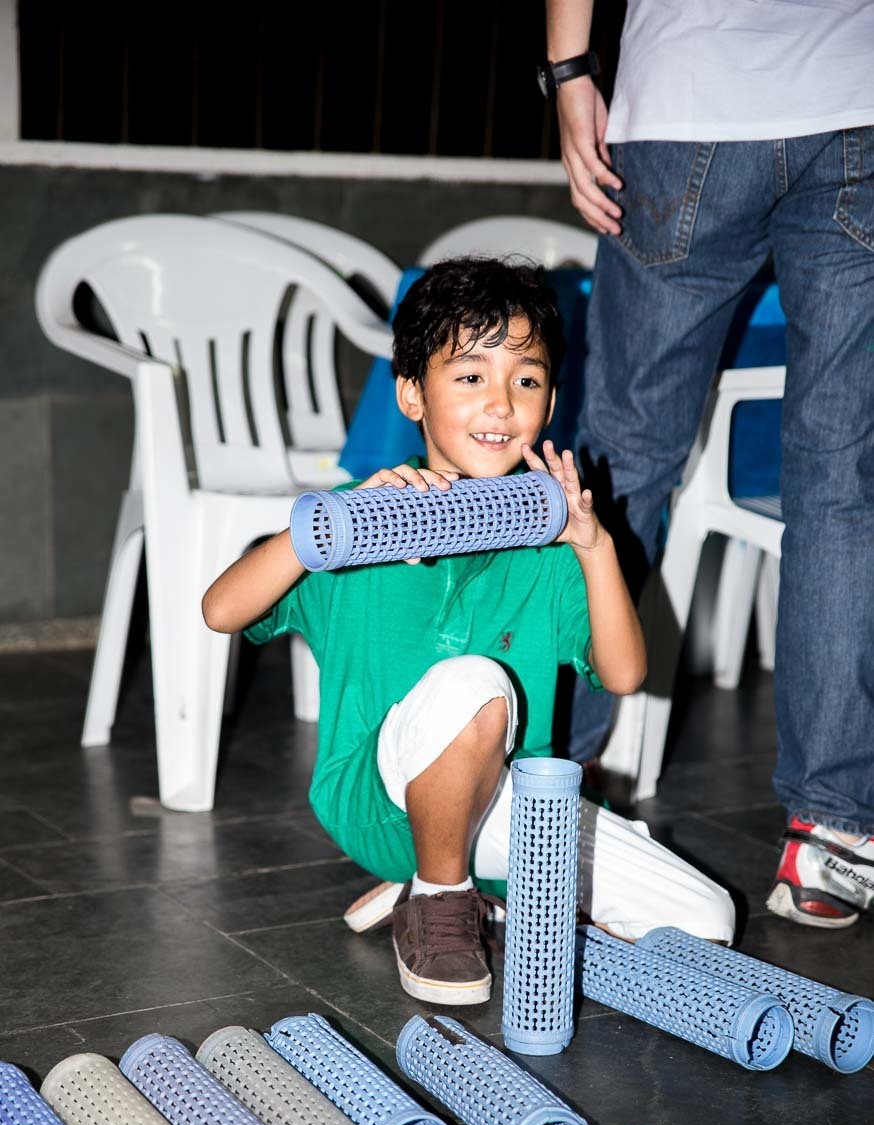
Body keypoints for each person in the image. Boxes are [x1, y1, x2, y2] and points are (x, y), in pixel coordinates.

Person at [203, 257, 734, 1006]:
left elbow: (623, 674)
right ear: (412, 395)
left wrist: (595, 547)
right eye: (470, 376)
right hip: (378, 797)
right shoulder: (357, 523)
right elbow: (220, 610)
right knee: (476, 685)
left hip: (508, 800)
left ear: (550, 402)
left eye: (526, 379)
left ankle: (484, 899)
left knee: (706, 920)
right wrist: (322, 527)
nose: (500, 403)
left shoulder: (551, 548)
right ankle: (439, 896)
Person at [544, 0, 874, 929]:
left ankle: (546, 786)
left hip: (691, 98)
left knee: (621, 465)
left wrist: (570, 74)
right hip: (857, 107)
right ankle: (832, 838)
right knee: (841, 484)